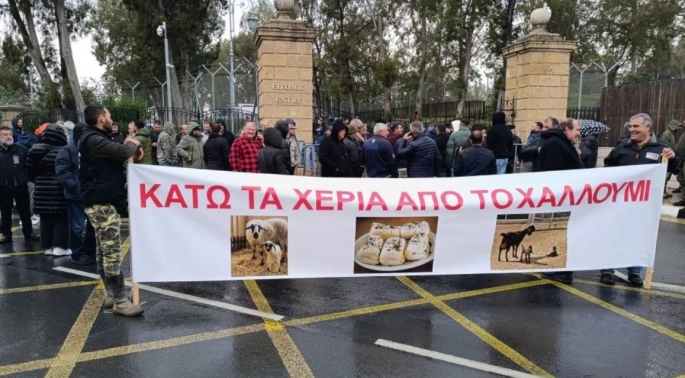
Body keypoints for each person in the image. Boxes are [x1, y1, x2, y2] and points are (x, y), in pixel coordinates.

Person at [601, 113, 679, 286]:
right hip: (619, 202)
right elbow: (608, 168)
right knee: (613, 236)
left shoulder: (662, 148)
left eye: (636, 127)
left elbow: (675, 169)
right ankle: (607, 270)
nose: (631, 129)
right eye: (630, 126)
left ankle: (635, 272)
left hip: (644, 204)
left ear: (648, 127)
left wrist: (673, 157)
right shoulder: (622, 146)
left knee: (639, 237)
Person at [80, 106, 144, 316]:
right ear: (100, 118)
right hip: (101, 202)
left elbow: (122, 152)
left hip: (102, 200)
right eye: (108, 116)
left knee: (103, 251)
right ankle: (120, 300)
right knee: (112, 253)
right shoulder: (93, 139)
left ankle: (110, 294)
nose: (111, 119)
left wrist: (132, 145)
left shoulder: (97, 137)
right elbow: (123, 151)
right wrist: (132, 143)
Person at [538, 118, 584, 284]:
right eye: (577, 129)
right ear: (567, 130)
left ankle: (558, 268)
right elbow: (553, 174)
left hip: (564, 199)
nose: (579, 133)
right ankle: (555, 269)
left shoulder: (561, 143)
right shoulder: (556, 144)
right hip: (559, 200)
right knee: (558, 233)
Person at [26, 125, 70, 256]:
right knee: (61, 218)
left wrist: (39, 180)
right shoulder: (64, 150)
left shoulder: (34, 149)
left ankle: (47, 247)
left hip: (41, 188)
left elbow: (29, 171)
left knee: (45, 219)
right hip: (59, 188)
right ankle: (60, 247)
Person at [55, 122, 95, 265]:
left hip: (92, 194)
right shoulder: (68, 150)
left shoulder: (92, 149)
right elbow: (62, 172)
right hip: (76, 195)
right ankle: (77, 253)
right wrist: (75, 187)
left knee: (92, 226)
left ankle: (90, 252)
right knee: (77, 227)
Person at [0, 126, 39, 244]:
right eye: (5, 134)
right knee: (5, 212)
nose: (8, 137)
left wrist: (26, 178)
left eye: (10, 134)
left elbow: (30, 164)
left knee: (25, 211)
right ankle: (6, 234)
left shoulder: (20, 149)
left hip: (20, 186)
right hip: (3, 187)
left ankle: (28, 232)